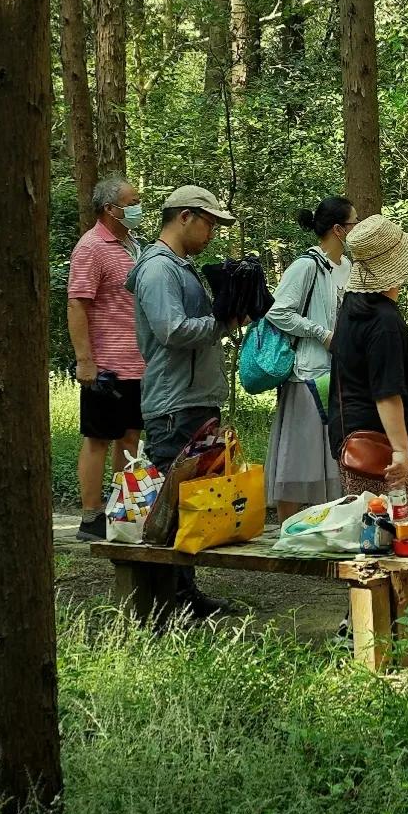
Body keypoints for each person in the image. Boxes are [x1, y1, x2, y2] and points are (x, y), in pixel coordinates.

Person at [132, 184, 251, 618]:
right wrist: (220, 321)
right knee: (171, 505)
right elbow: (171, 329)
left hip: (194, 400)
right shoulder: (158, 269)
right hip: (173, 405)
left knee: (192, 504)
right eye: (210, 224)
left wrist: (230, 317)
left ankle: (184, 594)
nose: (212, 234)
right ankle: (161, 604)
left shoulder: (181, 267)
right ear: (185, 217)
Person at [332, 213, 408, 519]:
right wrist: (400, 451)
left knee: (365, 531)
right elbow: (386, 392)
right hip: (383, 448)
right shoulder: (383, 321)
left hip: (354, 442)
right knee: (402, 532)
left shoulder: (353, 307)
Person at [65, 176, 144, 541]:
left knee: (130, 437)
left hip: (138, 363)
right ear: (110, 209)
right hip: (106, 365)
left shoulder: (133, 245)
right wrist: (85, 360)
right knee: (98, 438)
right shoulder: (91, 247)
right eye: (132, 202)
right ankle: (90, 515)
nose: (138, 207)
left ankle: (120, 510)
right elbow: (77, 304)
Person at [263, 197, 354, 514]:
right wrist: (321, 333)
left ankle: (324, 526)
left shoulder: (348, 268)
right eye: (354, 223)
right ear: (339, 229)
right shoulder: (307, 266)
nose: (357, 228)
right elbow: (278, 312)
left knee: (330, 458)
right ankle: (288, 530)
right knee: (298, 460)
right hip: (306, 375)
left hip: (338, 374)